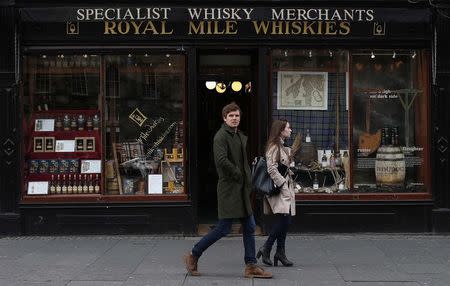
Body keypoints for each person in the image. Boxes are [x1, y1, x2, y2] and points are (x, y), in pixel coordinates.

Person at [183, 102, 272, 279]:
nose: (234, 118)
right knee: (224, 228)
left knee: (250, 226)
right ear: (224, 118)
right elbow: (221, 161)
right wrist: (238, 174)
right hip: (229, 188)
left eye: (237, 115)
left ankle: (251, 265)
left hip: (241, 189)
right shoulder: (221, 136)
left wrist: (246, 179)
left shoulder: (238, 135)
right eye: (231, 116)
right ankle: (193, 255)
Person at [257, 118, 295, 267]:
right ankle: (268, 247)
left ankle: (279, 252)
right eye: (288, 128)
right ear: (281, 130)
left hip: (284, 188)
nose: (290, 130)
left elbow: (282, 166)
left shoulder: (283, 146)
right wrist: (283, 184)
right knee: (284, 221)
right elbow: (271, 168)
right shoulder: (274, 147)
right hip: (278, 189)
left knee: (285, 221)